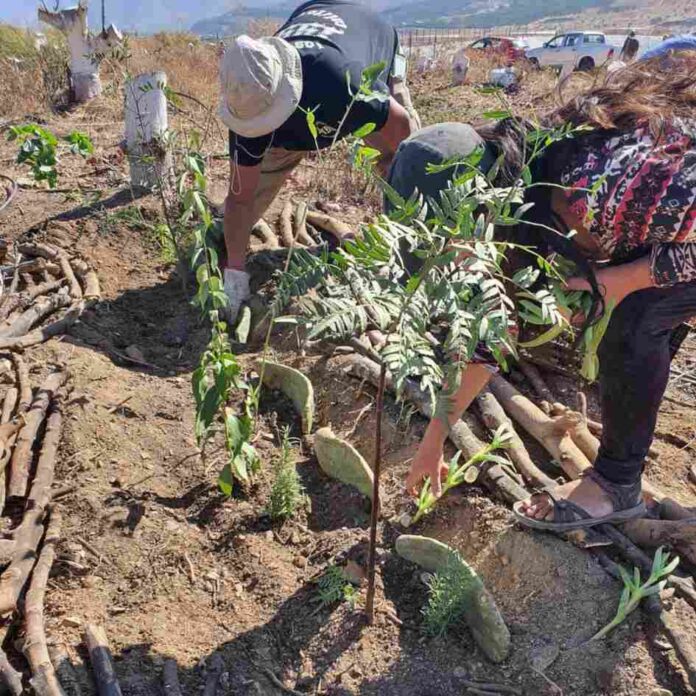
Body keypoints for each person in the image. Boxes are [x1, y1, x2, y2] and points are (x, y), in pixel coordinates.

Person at [389, 55, 696, 532]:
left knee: (634, 319)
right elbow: (492, 332)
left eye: (451, 248)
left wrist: (626, 280)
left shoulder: (601, 188)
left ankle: (614, 485)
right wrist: (433, 443)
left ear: (480, 206)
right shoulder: (536, 184)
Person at [218, 0, 421, 320]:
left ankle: (414, 257)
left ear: (287, 92)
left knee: (407, 169)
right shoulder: (247, 100)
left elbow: (403, 131)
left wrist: (398, 174)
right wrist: (235, 275)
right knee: (249, 198)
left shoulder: (343, 83)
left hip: (372, 43)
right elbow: (240, 199)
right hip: (314, 26)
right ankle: (228, 255)